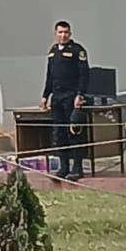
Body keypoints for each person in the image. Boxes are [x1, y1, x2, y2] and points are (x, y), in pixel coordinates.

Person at [40, 20, 90, 181]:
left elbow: (84, 75)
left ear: (70, 34)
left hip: (71, 97)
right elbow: (50, 77)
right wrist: (45, 96)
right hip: (57, 98)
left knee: (73, 132)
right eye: (60, 32)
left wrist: (80, 95)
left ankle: (77, 168)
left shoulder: (77, 51)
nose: (63, 35)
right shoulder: (53, 52)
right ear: (55, 34)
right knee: (59, 133)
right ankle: (64, 167)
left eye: (66, 32)